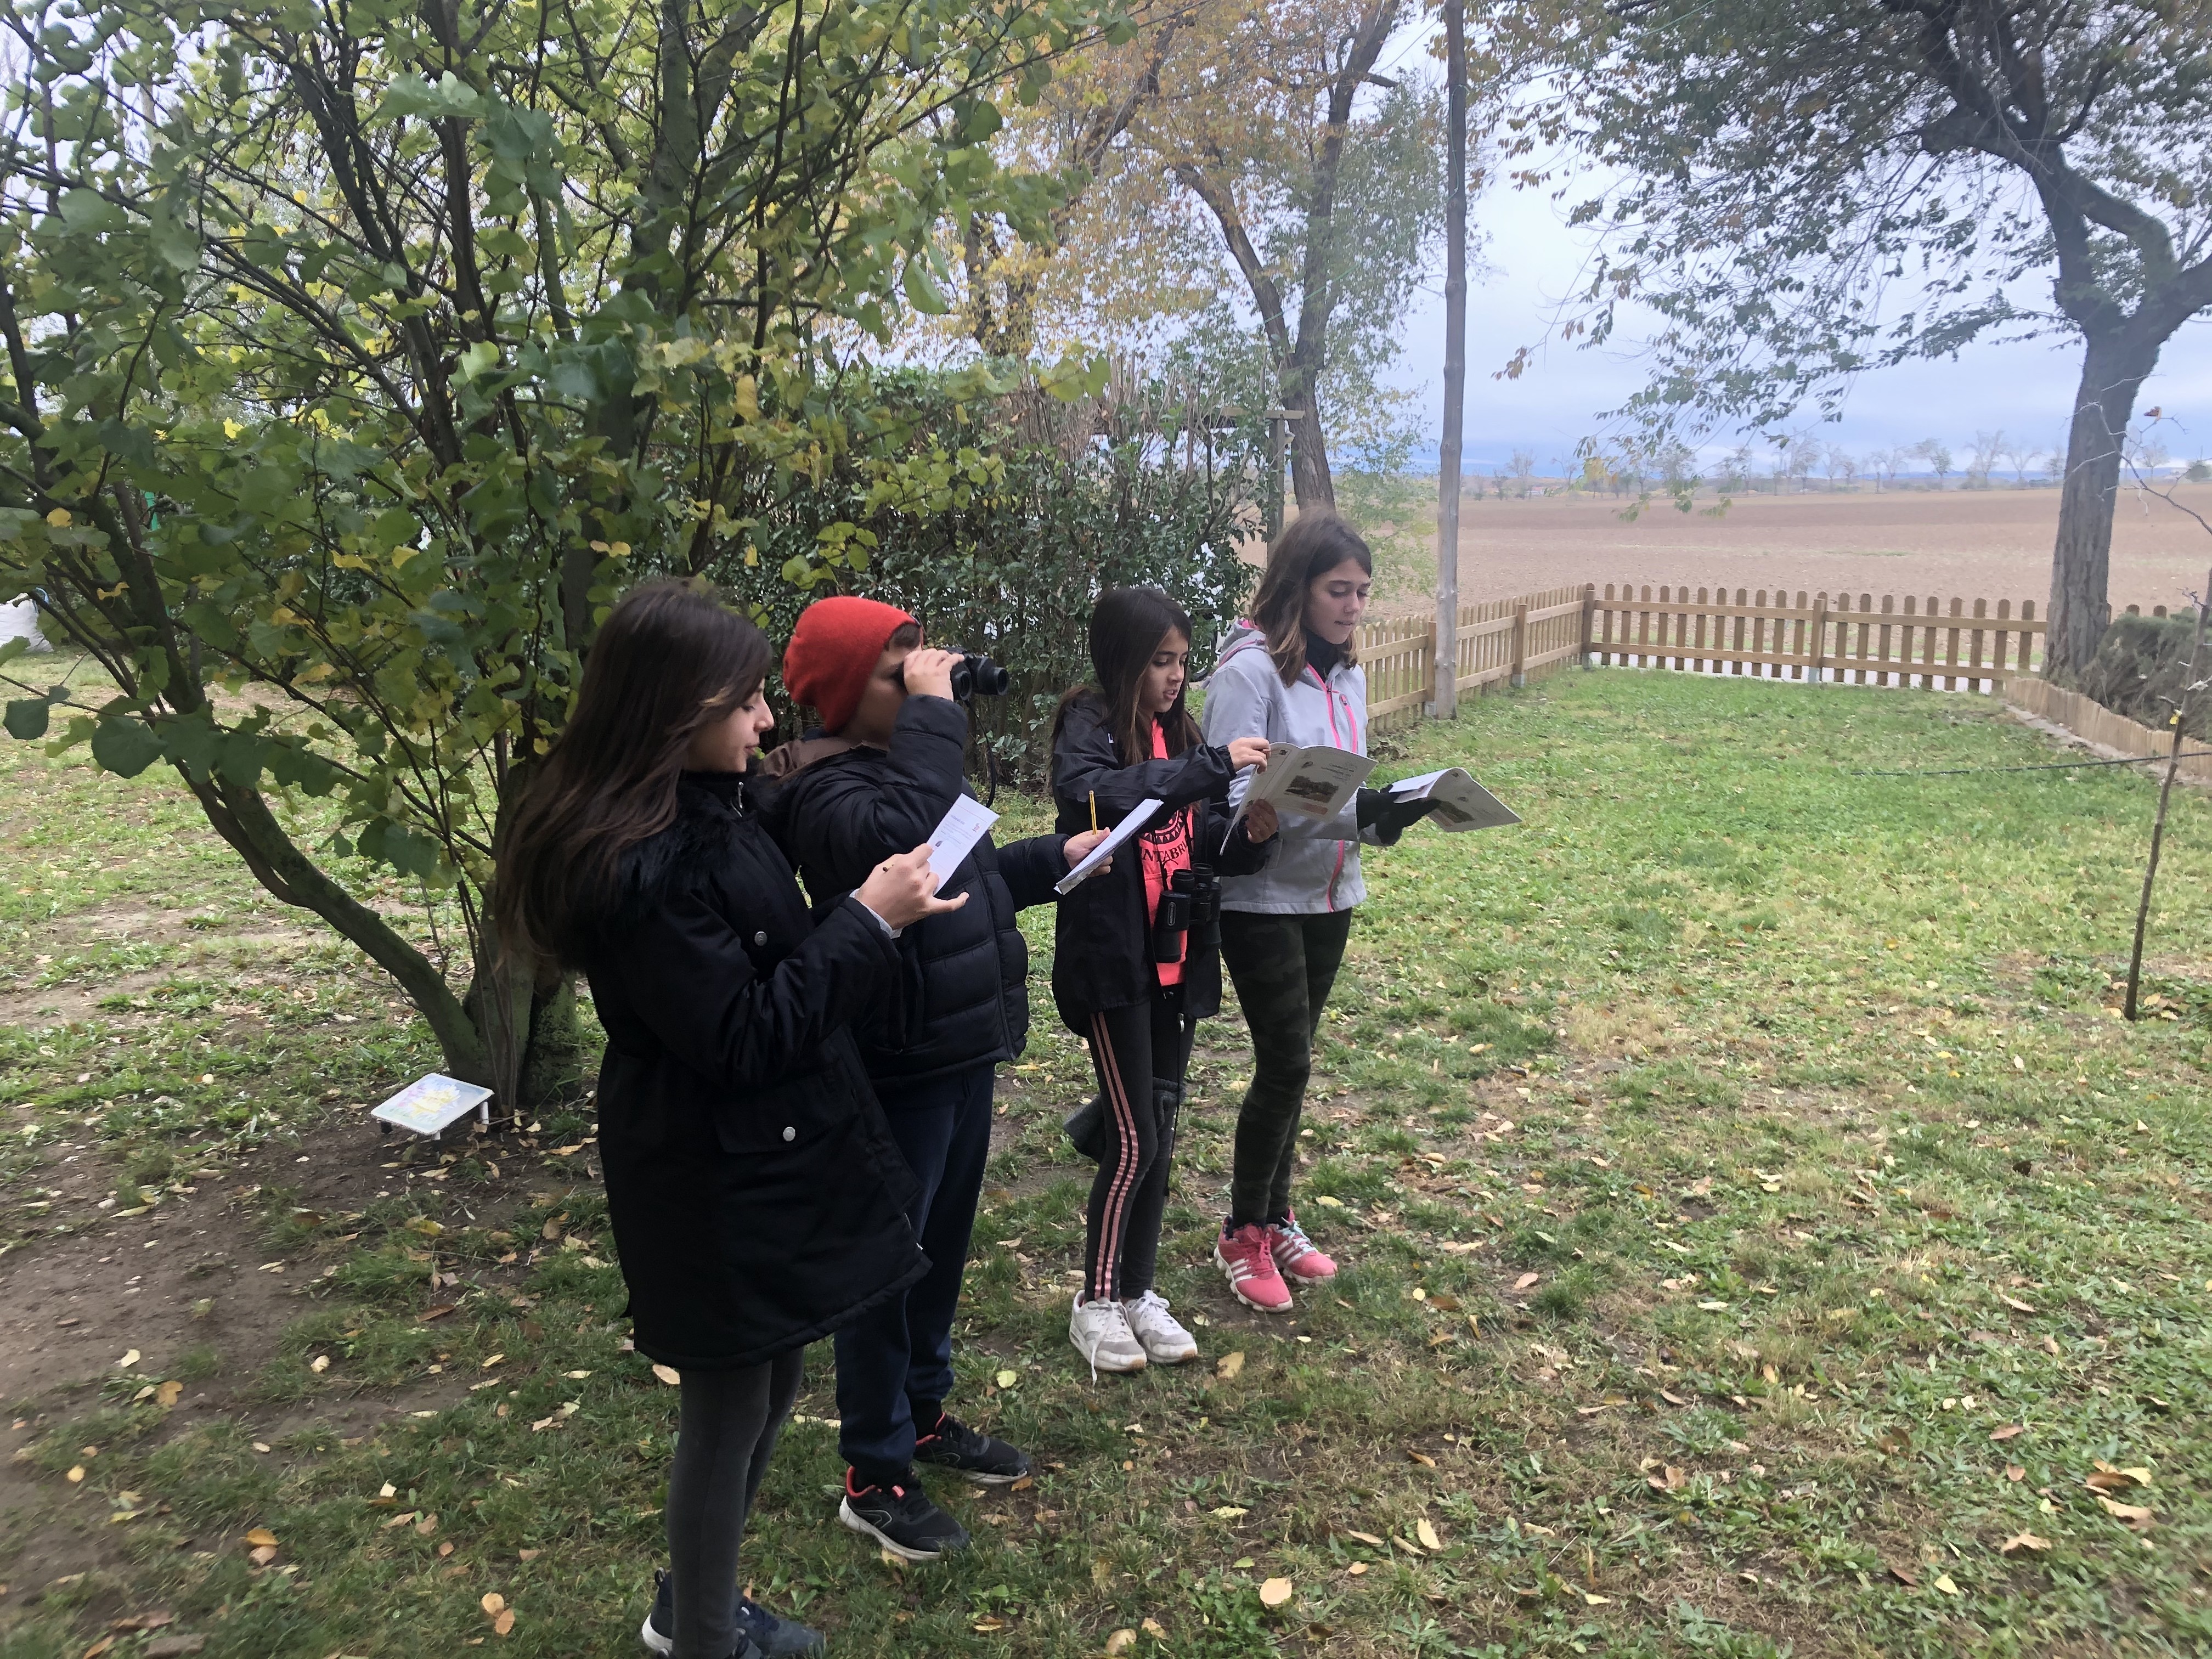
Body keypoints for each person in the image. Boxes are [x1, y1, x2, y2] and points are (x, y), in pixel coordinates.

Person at [493, 582, 964, 1659]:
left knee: (772, 1378)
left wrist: (860, 914)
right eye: (744, 702)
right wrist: (865, 923)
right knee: (726, 1413)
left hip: (758, 1155)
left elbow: (770, 960)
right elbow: (745, 1033)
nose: (764, 720)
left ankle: (694, 1607)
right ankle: (702, 1636)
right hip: (704, 1173)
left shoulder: (713, 809)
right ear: (675, 713)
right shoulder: (641, 870)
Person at [756, 596, 1112, 1560]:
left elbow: (965, 878)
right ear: (844, 695)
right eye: (898, 668)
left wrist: (1054, 858)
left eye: (924, 660)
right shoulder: (825, 790)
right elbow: (904, 841)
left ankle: (921, 1415)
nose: (925, 677)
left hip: (958, 1051)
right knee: (888, 1266)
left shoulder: (907, 771)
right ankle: (873, 1473)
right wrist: (933, 717)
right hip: (896, 1063)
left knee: (939, 1254)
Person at [1199, 511, 1437, 1313]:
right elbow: (1234, 792)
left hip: (1332, 891)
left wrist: (1382, 814)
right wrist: (1332, 808)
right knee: (1286, 1062)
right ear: (1296, 587)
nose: (1354, 606)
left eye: (1363, 591)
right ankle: (1242, 1231)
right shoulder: (1249, 673)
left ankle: (1276, 1215)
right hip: (1262, 895)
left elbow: (1337, 785)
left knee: (1295, 1060)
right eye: (1339, 590)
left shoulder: (1348, 675)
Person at [1049, 585, 1281, 1373]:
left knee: (1161, 1130)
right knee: (1134, 1139)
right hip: (1113, 965)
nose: (1176, 677)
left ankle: (1139, 1292)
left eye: (1182, 661)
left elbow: (1202, 837)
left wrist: (1250, 836)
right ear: (1123, 661)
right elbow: (1099, 796)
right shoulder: (1088, 726)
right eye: (1160, 662)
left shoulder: (1179, 733)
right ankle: (1096, 1302)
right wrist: (1209, 766)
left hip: (1176, 959)